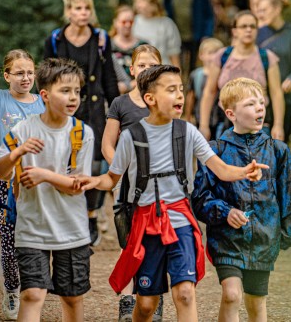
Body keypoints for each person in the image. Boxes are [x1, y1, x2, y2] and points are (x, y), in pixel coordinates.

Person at [77, 65, 268, 322]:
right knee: (146, 305)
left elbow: (220, 169)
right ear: (150, 99)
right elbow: (112, 178)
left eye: (180, 89)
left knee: (185, 294)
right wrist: (92, 180)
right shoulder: (131, 136)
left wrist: (245, 171)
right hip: (146, 225)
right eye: (171, 90)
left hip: (181, 222)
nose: (179, 95)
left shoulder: (187, 131)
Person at [192, 77, 291, 322]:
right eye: (251, 104)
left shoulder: (278, 150)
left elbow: (290, 195)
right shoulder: (216, 150)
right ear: (231, 113)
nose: (260, 108)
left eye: (262, 103)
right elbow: (199, 197)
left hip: (264, 238)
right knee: (232, 295)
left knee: (256, 303)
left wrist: (286, 232)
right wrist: (224, 211)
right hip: (227, 239)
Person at [0, 58, 94, 322]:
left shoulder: (83, 133)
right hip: (32, 229)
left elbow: (78, 186)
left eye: (77, 92)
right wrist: (18, 152)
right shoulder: (23, 130)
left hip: (71, 230)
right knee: (33, 295)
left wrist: (44, 176)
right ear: (45, 95)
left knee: (72, 298)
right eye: (65, 91)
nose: (73, 98)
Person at [43, 0, 120, 247]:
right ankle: (64, 214)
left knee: (96, 162)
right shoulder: (56, 39)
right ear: (68, 11)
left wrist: (117, 111)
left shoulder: (101, 38)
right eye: (78, 8)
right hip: (64, 108)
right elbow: (46, 75)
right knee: (64, 157)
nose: (83, 13)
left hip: (95, 107)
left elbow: (109, 75)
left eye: (87, 8)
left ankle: (91, 214)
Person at [100, 44, 163, 321]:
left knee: (156, 245)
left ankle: (154, 300)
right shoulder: (120, 103)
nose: (147, 70)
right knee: (129, 244)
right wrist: (121, 170)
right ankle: (127, 300)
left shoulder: (165, 102)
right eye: (142, 65)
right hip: (126, 186)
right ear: (132, 69)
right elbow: (107, 144)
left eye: (153, 65)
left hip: (159, 187)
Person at [0, 48, 45, 320]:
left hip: (34, 179)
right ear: (7, 75)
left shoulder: (41, 102)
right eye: (19, 73)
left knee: (33, 237)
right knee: (8, 237)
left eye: (30, 72)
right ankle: (11, 288)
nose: (25, 77)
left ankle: (33, 289)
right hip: (5, 179)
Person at [199, 11, 285, 141]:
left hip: (258, 126)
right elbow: (209, 92)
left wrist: (278, 126)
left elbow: (276, 93)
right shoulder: (222, 56)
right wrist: (203, 125)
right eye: (243, 26)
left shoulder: (267, 58)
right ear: (234, 31)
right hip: (226, 124)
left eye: (252, 26)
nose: (248, 30)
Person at [255, 0, 291, 141]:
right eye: (258, 10)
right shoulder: (256, 34)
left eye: (264, 10)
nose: (260, 14)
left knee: (280, 143)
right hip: (260, 98)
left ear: (277, 9)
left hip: (285, 97)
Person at [164, 0, 215, 78]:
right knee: (178, 65)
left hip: (195, 34)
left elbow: (208, 15)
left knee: (194, 65)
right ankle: (180, 87)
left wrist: (207, 34)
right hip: (176, 35)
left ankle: (192, 89)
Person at [132, 0, 182, 67]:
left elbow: (174, 55)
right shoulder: (134, 21)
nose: (138, 5)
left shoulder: (166, 24)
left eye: (142, 1)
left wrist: (177, 77)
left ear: (153, 4)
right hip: (141, 72)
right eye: (137, 1)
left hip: (163, 70)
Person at [184, 37, 224, 134]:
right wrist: (188, 118)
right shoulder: (196, 75)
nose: (214, 57)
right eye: (210, 53)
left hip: (221, 120)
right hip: (200, 119)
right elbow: (191, 97)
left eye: (217, 53)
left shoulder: (224, 76)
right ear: (201, 55)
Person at [110, 5, 146, 92]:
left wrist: (129, 85)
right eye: (124, 22)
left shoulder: (143, 46)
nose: (128, 25)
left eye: (131, 21)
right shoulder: (108, 46)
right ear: (115, 22)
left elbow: (151, 71)